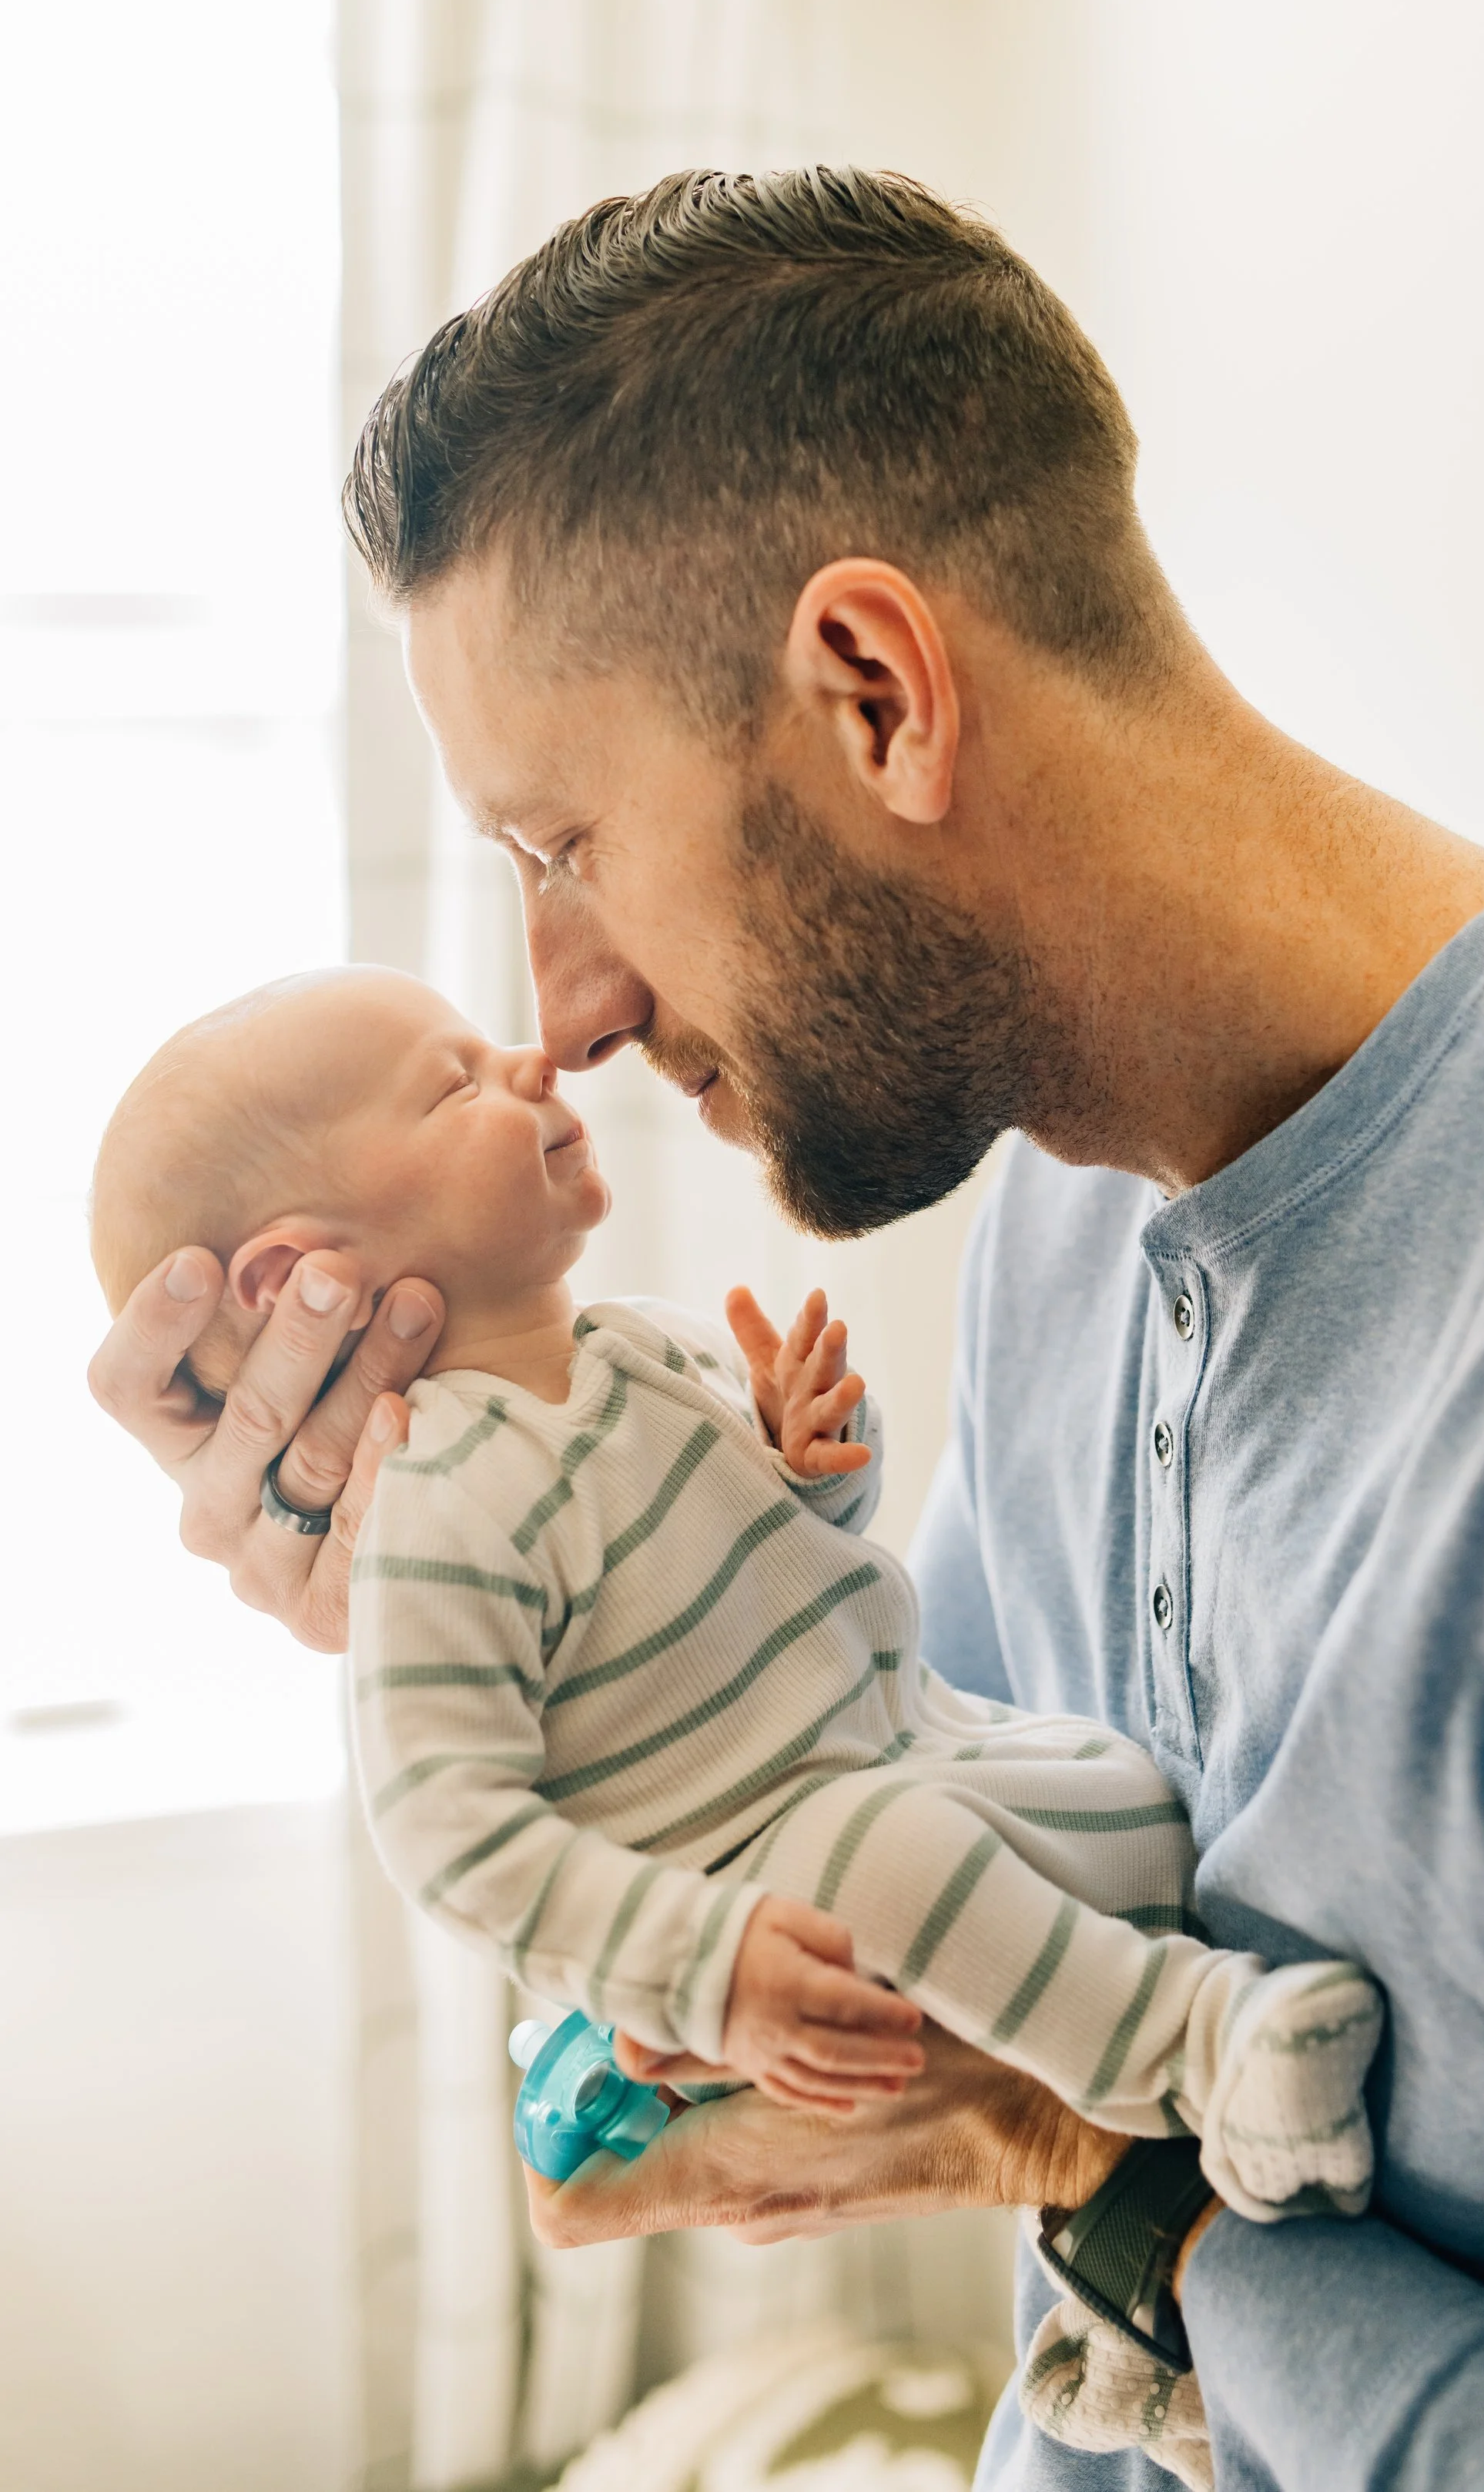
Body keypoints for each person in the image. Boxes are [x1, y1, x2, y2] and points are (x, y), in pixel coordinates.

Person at [90, 168, 1484, 2490]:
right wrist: (480, 1624)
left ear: (877, 692)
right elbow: (807, 1895)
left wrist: (1129, 2206)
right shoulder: (1071, 1194)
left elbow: (1032, 2131)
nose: (558, 1009)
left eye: (563, 846)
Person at [89, 968, 1381, 2298]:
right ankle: (1207, 2053)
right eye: (452, 1082)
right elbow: (445, 1828)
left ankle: (1159, 2236)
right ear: (293, 1276)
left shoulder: (641, 1345)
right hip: (760, 1863)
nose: (534, 1061)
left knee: (1122, 1791)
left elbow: (787, 1547)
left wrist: (818, 1460)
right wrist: (701, 1968)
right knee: (889, 1858)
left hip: (905, 1738)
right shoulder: (438, 1498)